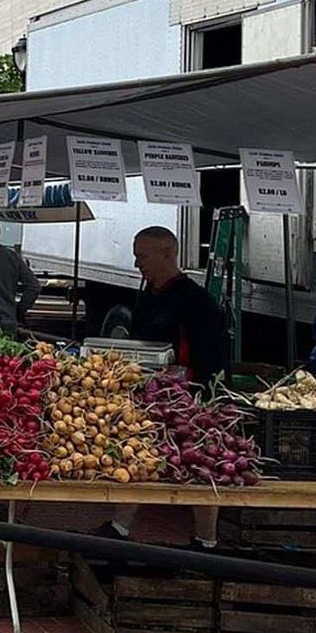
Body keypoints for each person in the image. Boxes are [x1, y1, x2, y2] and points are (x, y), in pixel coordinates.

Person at [104, 225, 230, 552]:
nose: (137, 264)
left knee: (202, 467)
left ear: (167, 254)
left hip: (190, 400)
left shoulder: (196, 302)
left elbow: (213, 359)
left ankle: (207, 542)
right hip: (151, 394)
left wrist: (205, 405)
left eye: (142, 256)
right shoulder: (148, 293)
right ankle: (118, 529)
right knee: (139, 456)